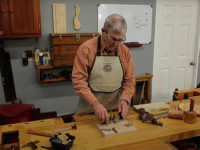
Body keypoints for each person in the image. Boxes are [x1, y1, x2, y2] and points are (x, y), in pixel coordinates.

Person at [72, 14, 135, 123]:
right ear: (103, 30)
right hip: (89, 110)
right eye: (112, 38)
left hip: (115, 110)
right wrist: (95, 104)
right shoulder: (86, 49)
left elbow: (129, 81)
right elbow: (78, 81)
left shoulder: (124, 51)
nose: (116, 44)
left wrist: (125, 100)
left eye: (120, 40)